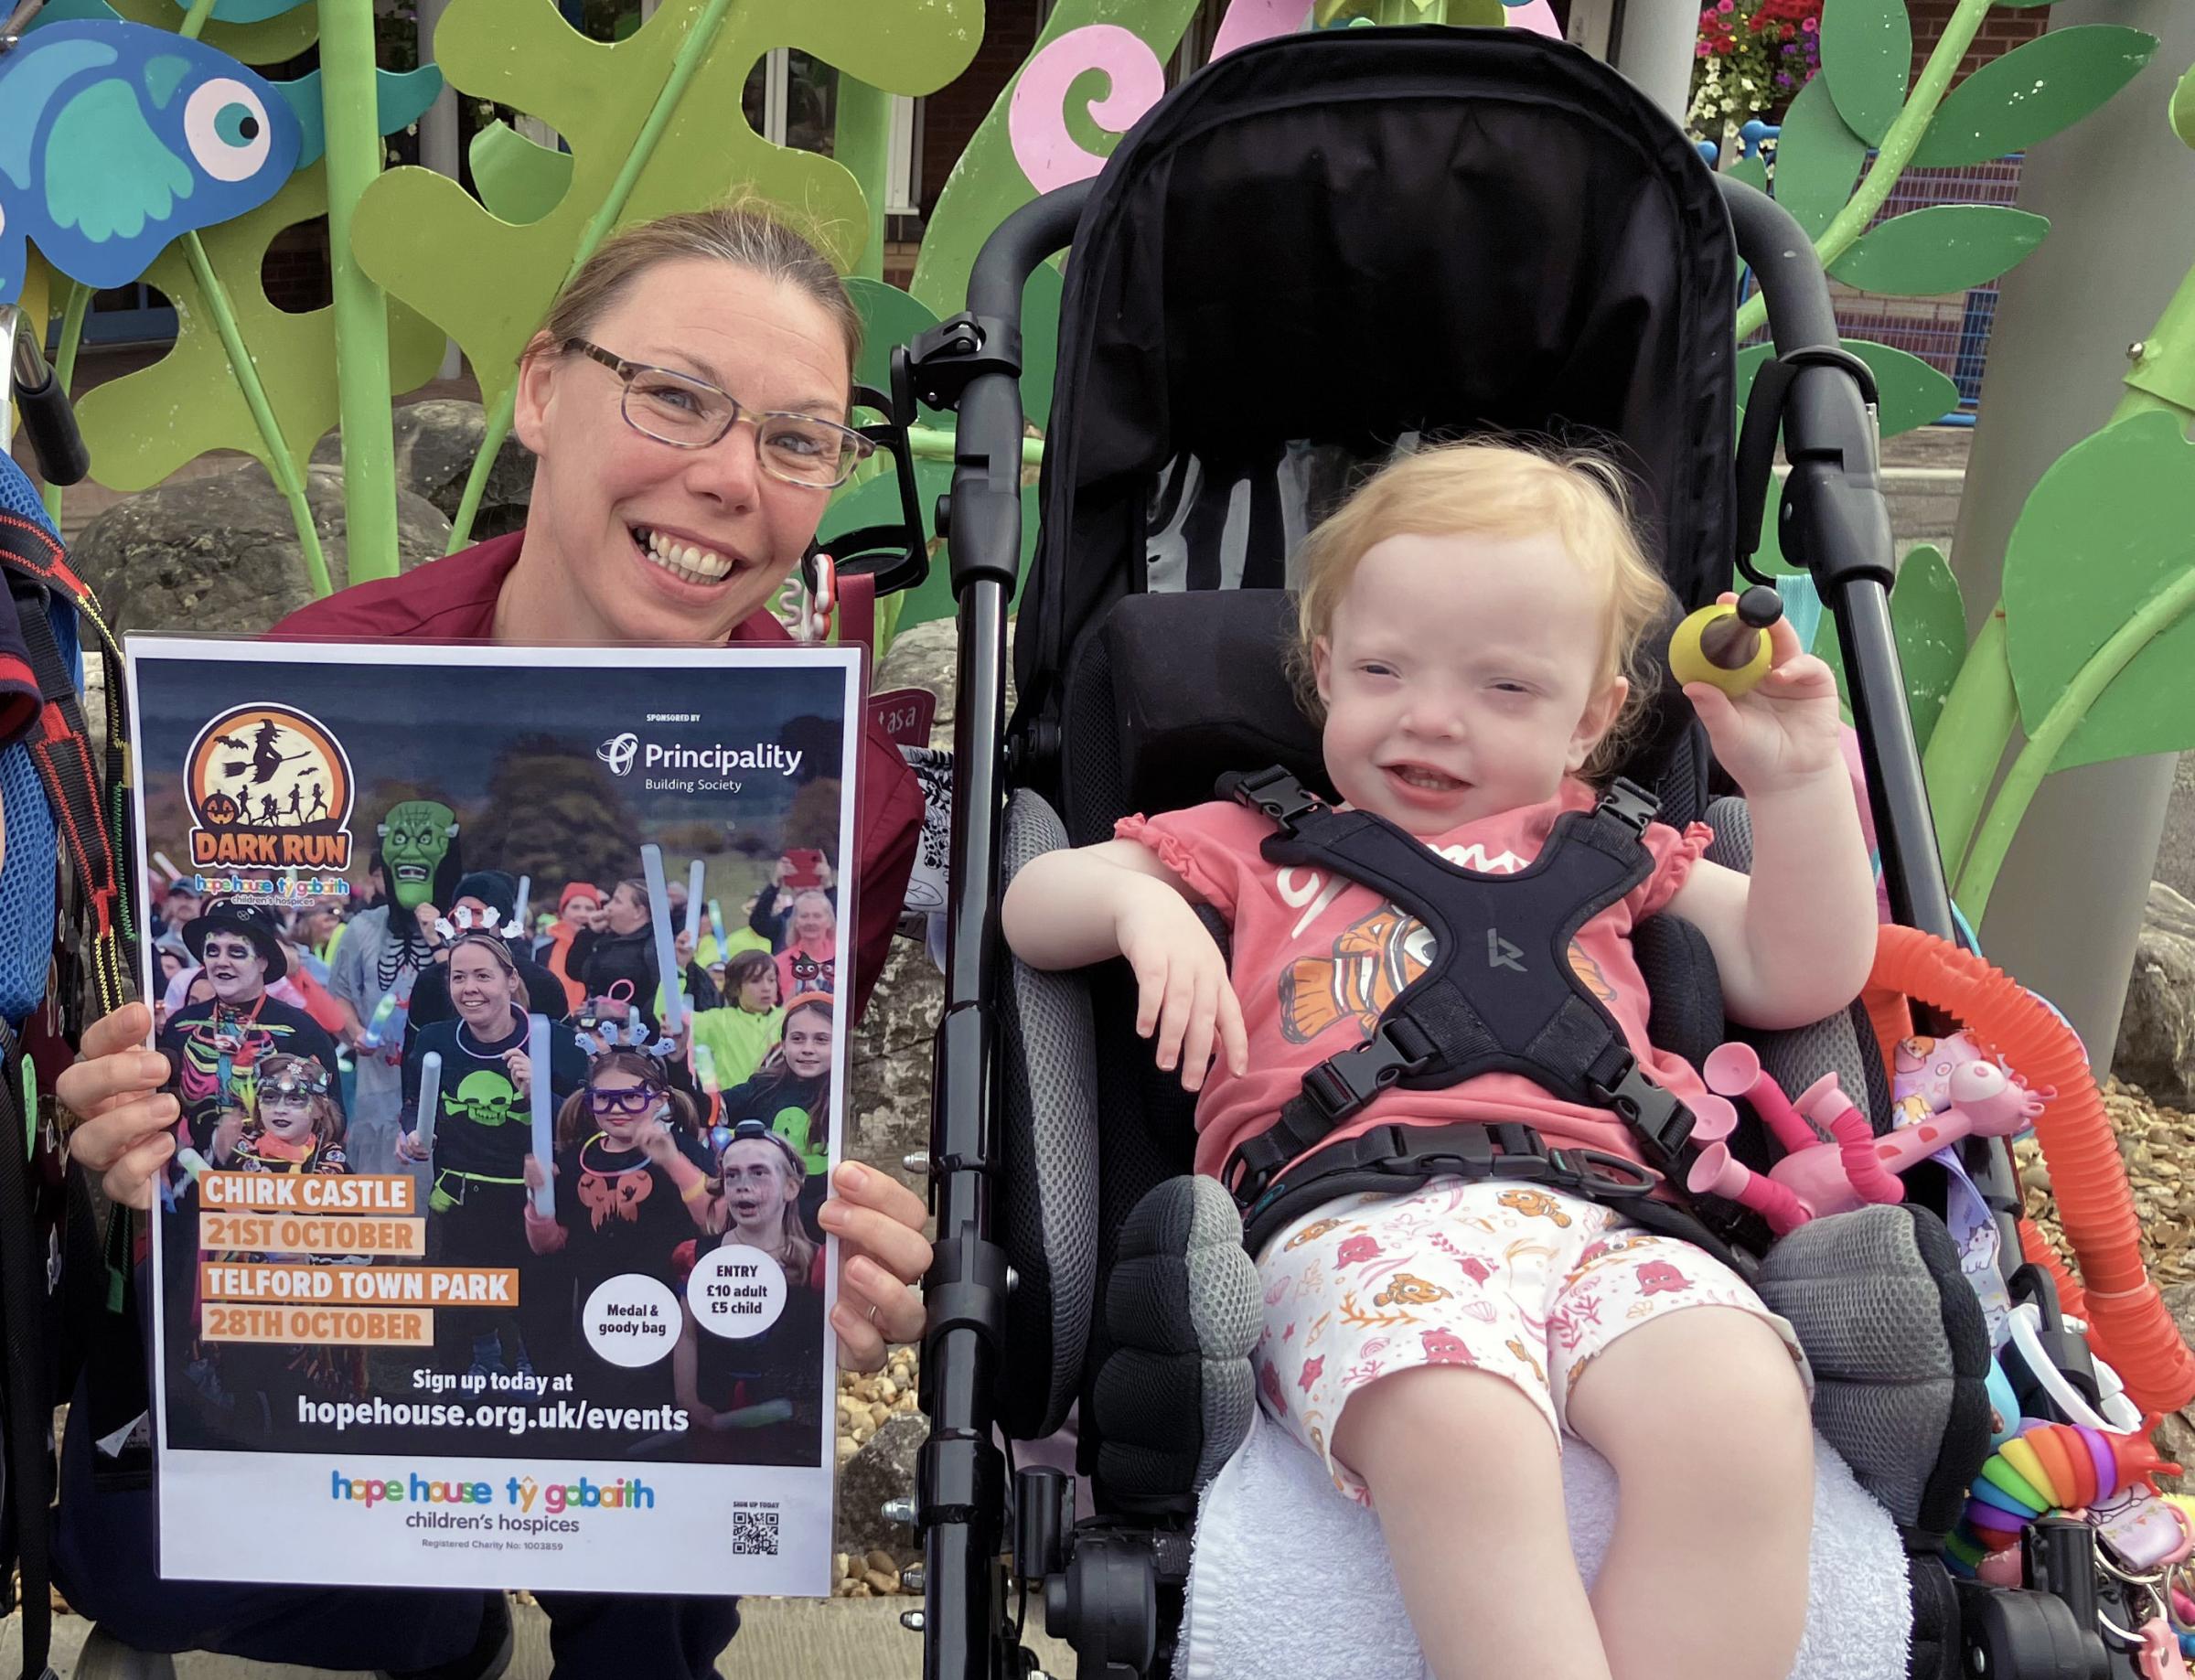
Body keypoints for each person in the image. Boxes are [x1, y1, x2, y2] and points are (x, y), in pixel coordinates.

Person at [56, 200, 931, 1680]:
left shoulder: (849, 785)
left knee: (652, 1595)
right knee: (145, 1570)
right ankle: (432, 1621)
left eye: (798, 438)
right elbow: (251, 1031)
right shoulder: (317, 683)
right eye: (675, 395)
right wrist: (133, 1115)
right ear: (541, 390)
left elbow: (780, 1078)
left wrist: (836, 1243)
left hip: (620, 1290)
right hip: (360, 1261)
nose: (729, 476)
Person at [1001, 442, 1877, 1680]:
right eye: (1380, 669)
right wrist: (1140, 909)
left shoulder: (1620, 853)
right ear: (1321, 671)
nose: (1428, 715)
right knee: (1461, 1429)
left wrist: (1793, 787)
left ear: (1592, 723)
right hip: (1358, 1216)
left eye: (1504, 689)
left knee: (1739, 1412)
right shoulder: (1259, 839)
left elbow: (1804, 972)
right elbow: (1037, 894)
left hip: (1615, 1219)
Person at [401, 931, 587, 1381]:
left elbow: (587, 1127)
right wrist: (410, 1134)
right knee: (459, 1329)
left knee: (542, 1326)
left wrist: (541, 1091)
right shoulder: (434, 1040)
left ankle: (541, 1399)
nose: (470, 988)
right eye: (459, 977)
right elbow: (412, 1104)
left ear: (510, 980)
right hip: (459, 1204)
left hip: (535, 1208)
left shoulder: (554, 1040)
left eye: (483, 976)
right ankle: (466, 1402)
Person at [520, 1051, 718, 1412]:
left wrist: (672, 1161)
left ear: (659, 1100)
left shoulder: (686, 1152)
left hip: (673, 1319)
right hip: (599, 1317)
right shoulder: (574, 1160)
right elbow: (546, 1245)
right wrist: (538, 1199)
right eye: (604, 1099)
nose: (616, 1109)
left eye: (631, 1097)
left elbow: (712, 1220)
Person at [669, 1124, 825, 1463]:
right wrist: (691, 1404)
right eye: (733, 1176)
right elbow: (686, 1334)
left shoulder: (817, 1264)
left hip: (788, 1433)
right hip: (713, 1422)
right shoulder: (697, 1257)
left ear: (790, 1187)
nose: (743, 1187)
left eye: (759, 1173)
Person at [156, 900, 344, 1154]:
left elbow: (332, 1120)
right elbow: (160, 1112)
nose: (221, 961)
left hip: (275, 1182)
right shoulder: (180, 1026)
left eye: (236, 952)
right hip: (192, 1176)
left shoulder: (301, 1030)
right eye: (213, 951)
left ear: (262, 961)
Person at [404, 871, 573, 1062]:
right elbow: (414, 1062)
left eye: (478, 913)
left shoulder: (540, 982)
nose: (470, 922)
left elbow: (566, 1060)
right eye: (461, 913)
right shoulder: (431, 982)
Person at [717, 993, 832, 1236]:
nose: (808, 1049)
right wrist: (678, 1062)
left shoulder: (847, 1095)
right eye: (798, 1039)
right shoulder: (764, 1087)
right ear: (784, 1043)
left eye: (821, 1040)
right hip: (770, 1224)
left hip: (826, 1226)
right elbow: (713, 1108)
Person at [569, 877, 720, 1028]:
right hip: (598, 1031)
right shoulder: (606, 939)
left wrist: (629, 1022)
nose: (608, 908)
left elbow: (659, 1000)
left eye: (617, 901)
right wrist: (589, 932)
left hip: (633, 1037)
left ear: (639, 912)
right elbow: (574, 971)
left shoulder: (657, 948)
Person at [687, 949, 784, 1094]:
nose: (766, 988)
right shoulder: (718, 1020)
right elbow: (670, 1019)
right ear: (735, 988)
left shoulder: (789, 1019)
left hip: (779, 1106)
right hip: (735, 1106)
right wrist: (679, 969)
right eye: (755, 981)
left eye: (771, 980)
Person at [541, 882, 603, 1011]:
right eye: (575, 907)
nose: (582, 914)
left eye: (589, 909)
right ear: (562, 912)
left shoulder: (605, 948)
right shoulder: (541, 950)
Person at [773, 887, 837, 1001]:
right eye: (804, 916)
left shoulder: (845, 958)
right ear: (795, 922)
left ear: (829, 921)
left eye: (817, 916)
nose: (810, 922)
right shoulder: (779, 964)